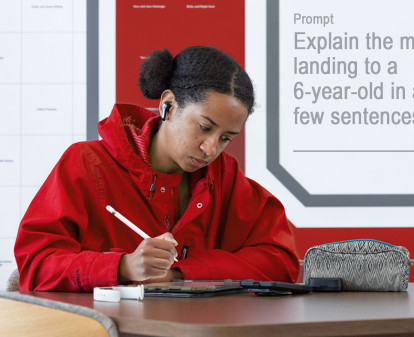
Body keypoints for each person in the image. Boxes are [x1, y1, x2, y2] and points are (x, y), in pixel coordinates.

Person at [14, 46, 299, 291]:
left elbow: (280, 260)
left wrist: (180, 273)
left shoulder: (226, 175)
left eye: (226, 138)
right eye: (204, 127)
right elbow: (35, 265)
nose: (211, 149)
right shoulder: (86, 163)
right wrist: (123, 267)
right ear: (168, 105)